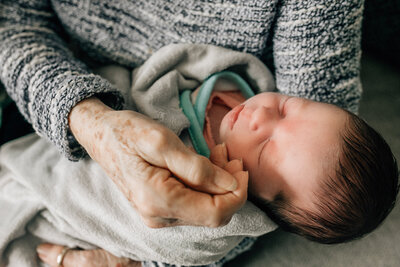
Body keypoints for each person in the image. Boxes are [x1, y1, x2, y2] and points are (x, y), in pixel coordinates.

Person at [0, 0, 366, 265]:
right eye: (287, 108)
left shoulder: (234, 195)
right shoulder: (234, 78)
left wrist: (141, 260)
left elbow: (199, 240)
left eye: (266, 146)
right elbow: (13, 20)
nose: (262, 116)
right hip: (37, 93)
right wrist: (87, 116)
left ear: (260, 202)